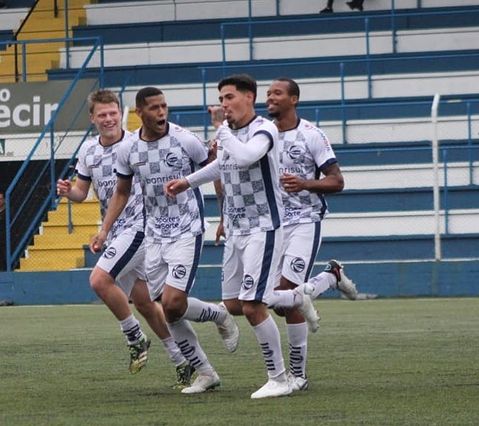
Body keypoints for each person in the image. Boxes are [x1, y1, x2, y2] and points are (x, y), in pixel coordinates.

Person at [165, 74, 310, 399]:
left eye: (229, 97)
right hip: (236, 229)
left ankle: (279, 377)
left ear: (248, 97)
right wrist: (187, 181)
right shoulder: (231, 134)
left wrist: (223, 131)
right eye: (222, 97)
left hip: (264, 228)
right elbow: (224, 165)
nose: (224, 103)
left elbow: (246, 156)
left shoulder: (264, 129)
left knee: (252, 305)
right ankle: (299, 297)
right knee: (232, 304)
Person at [92, 87, 239, 395]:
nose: (161, 113)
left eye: (164, 106)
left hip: (187, 229)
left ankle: (219, 314)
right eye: (154, 108)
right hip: (154, 235)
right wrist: (105, 230)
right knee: (169, 310)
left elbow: (217, 172)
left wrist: (225, 217)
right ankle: (205, 372)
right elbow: (121, 191)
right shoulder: (128, 149)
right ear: (139, 113)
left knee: (172, 303)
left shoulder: (184, 139)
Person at [56, 89, 196, 388]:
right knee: (145, 303)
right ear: (92, 118)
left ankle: (134, 337)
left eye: (113, 113)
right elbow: (82, 192)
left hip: (139, 227)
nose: (108, 119)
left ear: (122, 113)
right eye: (102, 115)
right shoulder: (89, 151)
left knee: (98, 279)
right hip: (117, 232)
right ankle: (182, 360)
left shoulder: (136, 144)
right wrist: (70, 193)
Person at [265, 77, 358, 391]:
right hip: (272, 225)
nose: (270, 98)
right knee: (282, 301)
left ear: (293, 99)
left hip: (305, 221)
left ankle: (298, 376)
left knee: (284, 295)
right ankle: (330, 278)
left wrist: (306, 183)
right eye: (267, 93)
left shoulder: (311, 135)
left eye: (277, 93)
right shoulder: (261, 135)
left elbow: (337, 181)